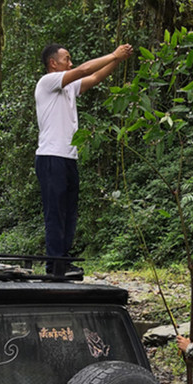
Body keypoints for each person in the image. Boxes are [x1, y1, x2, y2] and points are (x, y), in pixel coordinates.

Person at [34, 42, 133, 265]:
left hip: (68, 157)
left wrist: (117, 60)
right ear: (53, 63)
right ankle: (54, 264)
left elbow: (94, 78)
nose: (70, 63)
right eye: (66, 59)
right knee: (55, 212)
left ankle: (64, 261)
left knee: (69, 213)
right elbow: (85, 70)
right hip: (51, 156)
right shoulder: (48, 82)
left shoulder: (68, 87)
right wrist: (112, 54)